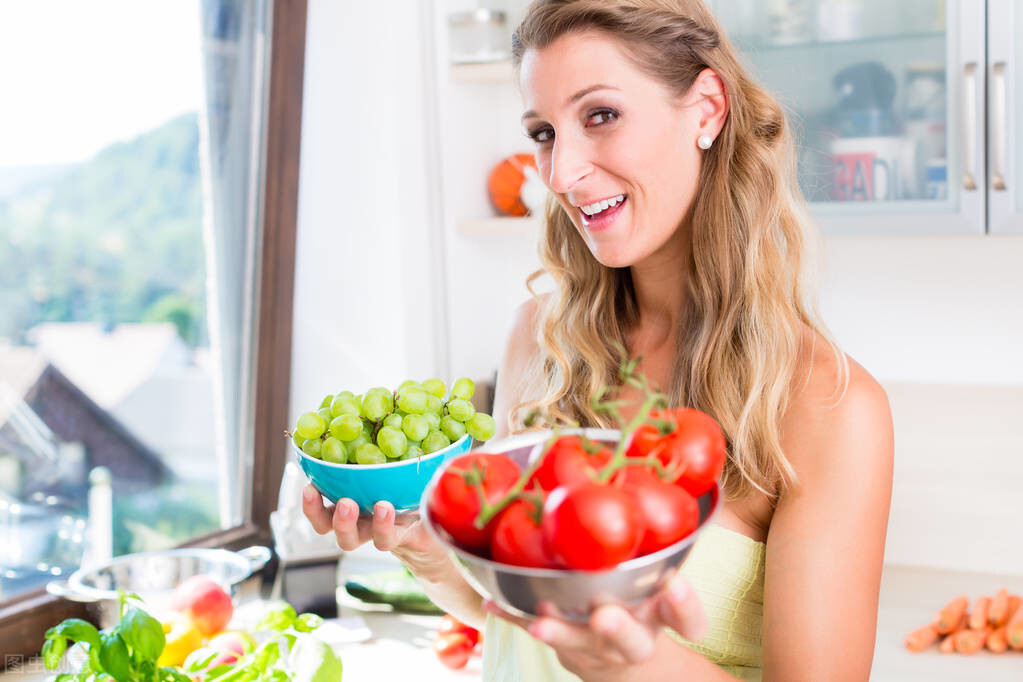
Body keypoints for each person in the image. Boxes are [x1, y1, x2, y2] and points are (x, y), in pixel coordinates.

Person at [302, 1, 894, 679]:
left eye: (600, 116)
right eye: (544, 131)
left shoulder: (827, 406)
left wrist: (630, 665)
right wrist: (426, 553)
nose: (559, 174)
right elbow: (515, 623)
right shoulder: (539, 340)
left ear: (705, 110)